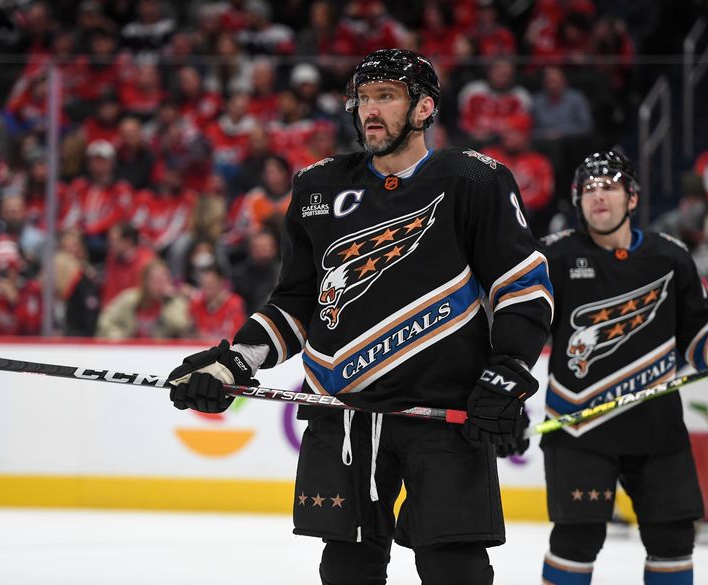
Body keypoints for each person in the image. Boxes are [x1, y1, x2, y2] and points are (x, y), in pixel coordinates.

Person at [167, 48, 554, 585]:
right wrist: (235, 363)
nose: (369, 109)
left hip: (442, 416)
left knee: (455, 568)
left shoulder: (474, 180)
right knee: (347, 569)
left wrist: (509, 368)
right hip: (343, 415)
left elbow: (522, 285)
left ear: (423, 109)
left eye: (386, 97)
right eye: (364, 98)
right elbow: (296, 304)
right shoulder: (318, 187)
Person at [533, 151, 708, 585]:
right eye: (588, 189)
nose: (599, 196)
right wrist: (505, 394)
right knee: (577, 537)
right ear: (576, 200)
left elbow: (701, 333)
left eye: (609, 186)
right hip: (579, 429)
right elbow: (521, 335)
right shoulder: (553, 257)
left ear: (632, 197)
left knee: (673, 539)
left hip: (656, 428)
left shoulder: (670, 256)